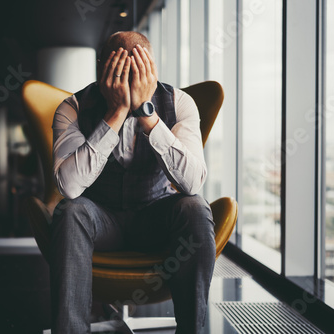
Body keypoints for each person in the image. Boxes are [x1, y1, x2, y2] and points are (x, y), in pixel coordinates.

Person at [49, 31, 216, 334]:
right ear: (103, 70)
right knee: (70, 211)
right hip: (100, 220)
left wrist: (148, 117)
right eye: (120, 70)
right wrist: (115, 115)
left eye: (138, 70)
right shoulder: (72, 107)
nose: (129, 79)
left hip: (154, 218)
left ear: (151, 68)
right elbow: (69, 187)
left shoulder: (180, 103)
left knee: (195, 207)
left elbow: (192, 183)